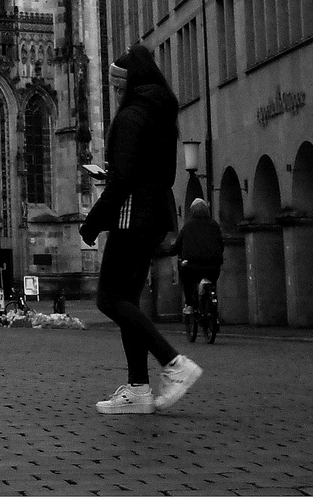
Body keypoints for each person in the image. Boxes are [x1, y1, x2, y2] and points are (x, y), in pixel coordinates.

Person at [80, 44, 202, 414]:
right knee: (127, 300)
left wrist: (93, 222)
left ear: (128, 85)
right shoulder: (159, 111)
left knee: (109, 298)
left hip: (133, 215)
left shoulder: (133, 115)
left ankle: (174, 364)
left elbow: (124, 179)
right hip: (152, 213)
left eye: (118, 88)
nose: (116, 95)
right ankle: (138, 388)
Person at [168, 198, 224, 316]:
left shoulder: (188, 226)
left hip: (192, 268)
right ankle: (212, 308)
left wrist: (168, 251)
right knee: (211, 282)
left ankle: (189, 305)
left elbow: (177, 246)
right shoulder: (214, 225)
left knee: (186, 278)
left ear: (192, 211)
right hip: (213, 268)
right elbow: (221, 245)